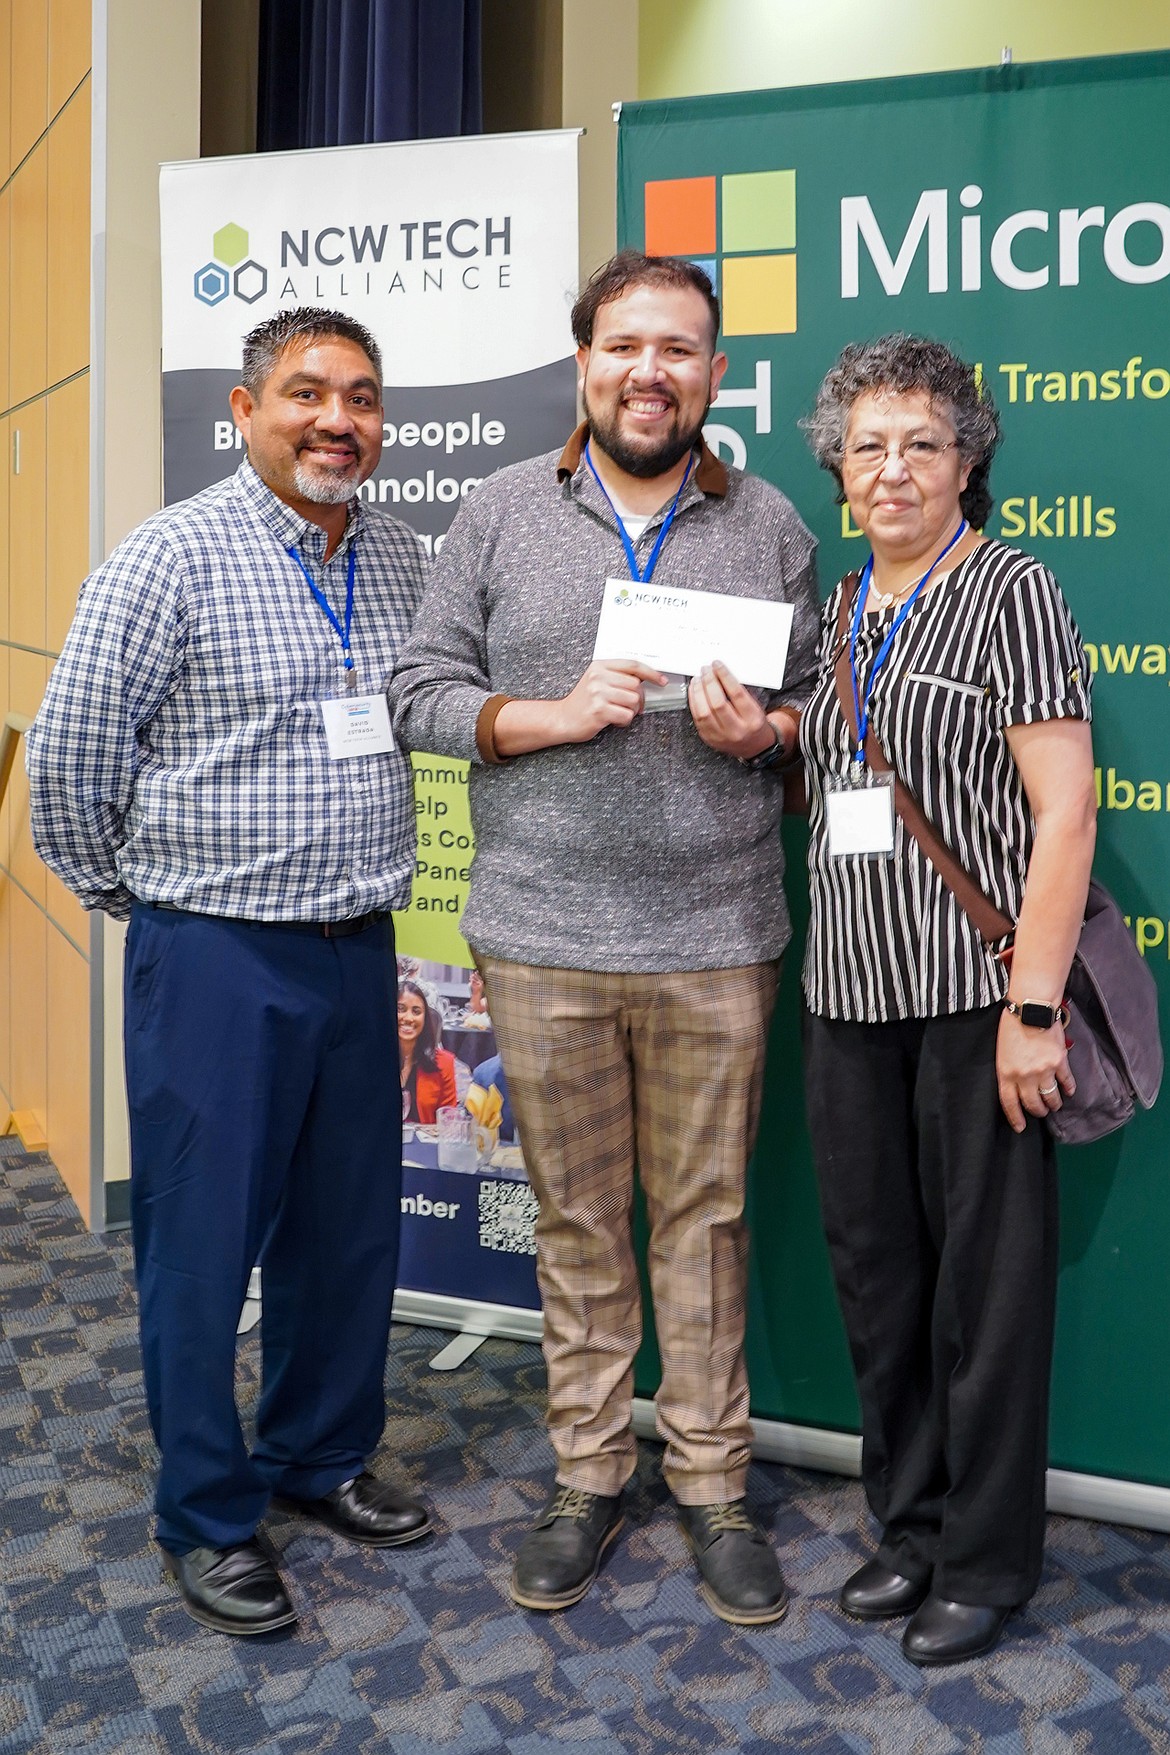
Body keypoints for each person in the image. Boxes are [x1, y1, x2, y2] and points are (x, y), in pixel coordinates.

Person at [390, 250, 820, 1625]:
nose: (651, 372)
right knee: (579, 1225)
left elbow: (823, 711)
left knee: (703, 1221)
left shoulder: (769, 524)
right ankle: (587, 1471)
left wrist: (771, 733)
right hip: (540, 935)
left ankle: (708, 1482)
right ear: (581, 362)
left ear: (710, 371)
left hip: (714, 933)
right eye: (625, 345)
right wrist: (540, 715)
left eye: (679, 349)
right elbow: (418, 687)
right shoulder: (501, 511)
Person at [28, 308, 433, 1638]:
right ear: (244, 409)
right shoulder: (166, 558)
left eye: (362, 398)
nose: (338, 419)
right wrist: (148, 909)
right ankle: (206, 1509)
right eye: (307, 392)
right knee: (200, 1253)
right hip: (215, 954)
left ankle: (316, 1455)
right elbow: (71, 774)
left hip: (356, 947)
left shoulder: (395, 554)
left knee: (347, 1234)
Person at [791, 333, 1095, 1664]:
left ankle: (982, 1557)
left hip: (975, 999)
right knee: (877, 1276)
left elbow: (1064, 806)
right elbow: (831, 782)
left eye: (922, 441)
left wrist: (1033, 1006)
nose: (893, 466)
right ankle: (904, 1527)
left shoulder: (1010, 587)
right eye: (868, 445)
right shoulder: (843, 605)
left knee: (984, 1289)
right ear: (837, 471)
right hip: (845, 992)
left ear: (967, 459)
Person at [398, 977, 459, 1123]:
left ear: (425, 1019)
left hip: (426, 1145)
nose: (408, 1018)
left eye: (416, 1011)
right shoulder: (371, 1059)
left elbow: (448, 1120)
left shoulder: (444, 1063)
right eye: (401, 1009)